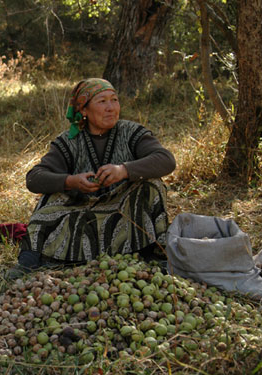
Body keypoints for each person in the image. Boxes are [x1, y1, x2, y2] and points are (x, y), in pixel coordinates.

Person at [14, 78, 176, 273]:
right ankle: (28, 263)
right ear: (84, 110)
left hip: (124, 213)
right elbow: (34, 178)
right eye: (102, 101)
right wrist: (70, 182)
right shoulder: (69, 141)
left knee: (152, 186)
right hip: (82, 213)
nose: (111, 107)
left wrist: (123, 170)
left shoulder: (131, 132)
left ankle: (153, 256)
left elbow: (166, 160)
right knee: (48, 199)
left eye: (114, 100)